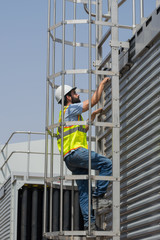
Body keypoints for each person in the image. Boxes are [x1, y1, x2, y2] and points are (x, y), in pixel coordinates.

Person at [55, 77, 112, 231]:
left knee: (84, 190)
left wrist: (92, 117)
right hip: (77, 153)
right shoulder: (70, 109)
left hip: (69, 158)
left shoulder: (67, 116)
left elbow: (82, 130)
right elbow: (93, 100)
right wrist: (101, 84)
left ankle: (90, 225)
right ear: (68, 97)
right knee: (106, 164)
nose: (78, 95)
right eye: (74, 93)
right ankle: (99, 198)